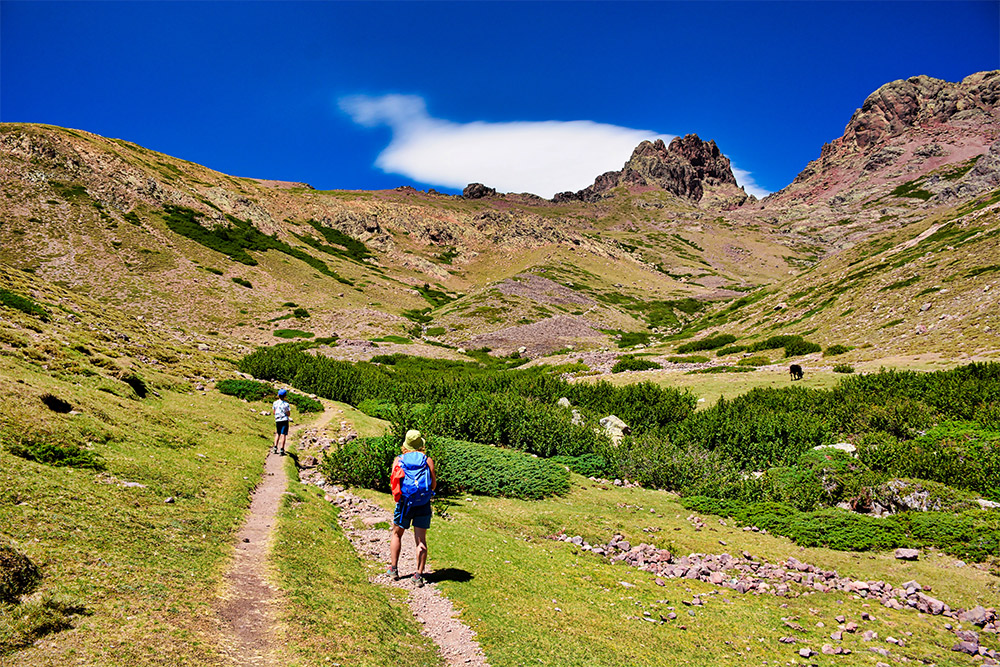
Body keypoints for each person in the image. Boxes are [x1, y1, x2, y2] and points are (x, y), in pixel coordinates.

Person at [388, 430, 436, 587]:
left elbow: (393, 484)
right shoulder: (427, 460)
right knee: (421, 540)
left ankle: (394, 569)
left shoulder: (399, 460)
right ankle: (418, 575)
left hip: (404, 503)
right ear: (421, 444)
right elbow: (433, 484)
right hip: (423, 503)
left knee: (397, 534)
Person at [272, 388, 292, 455]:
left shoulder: (275, 403)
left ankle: (275, 447)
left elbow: (274, 412)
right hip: (284, 420)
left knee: (278, 433)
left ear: (278, 395)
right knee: (283, 434)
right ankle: (282, 449)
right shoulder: (286, 404)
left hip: (278, 419)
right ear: (285, 396)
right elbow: (288, 413)